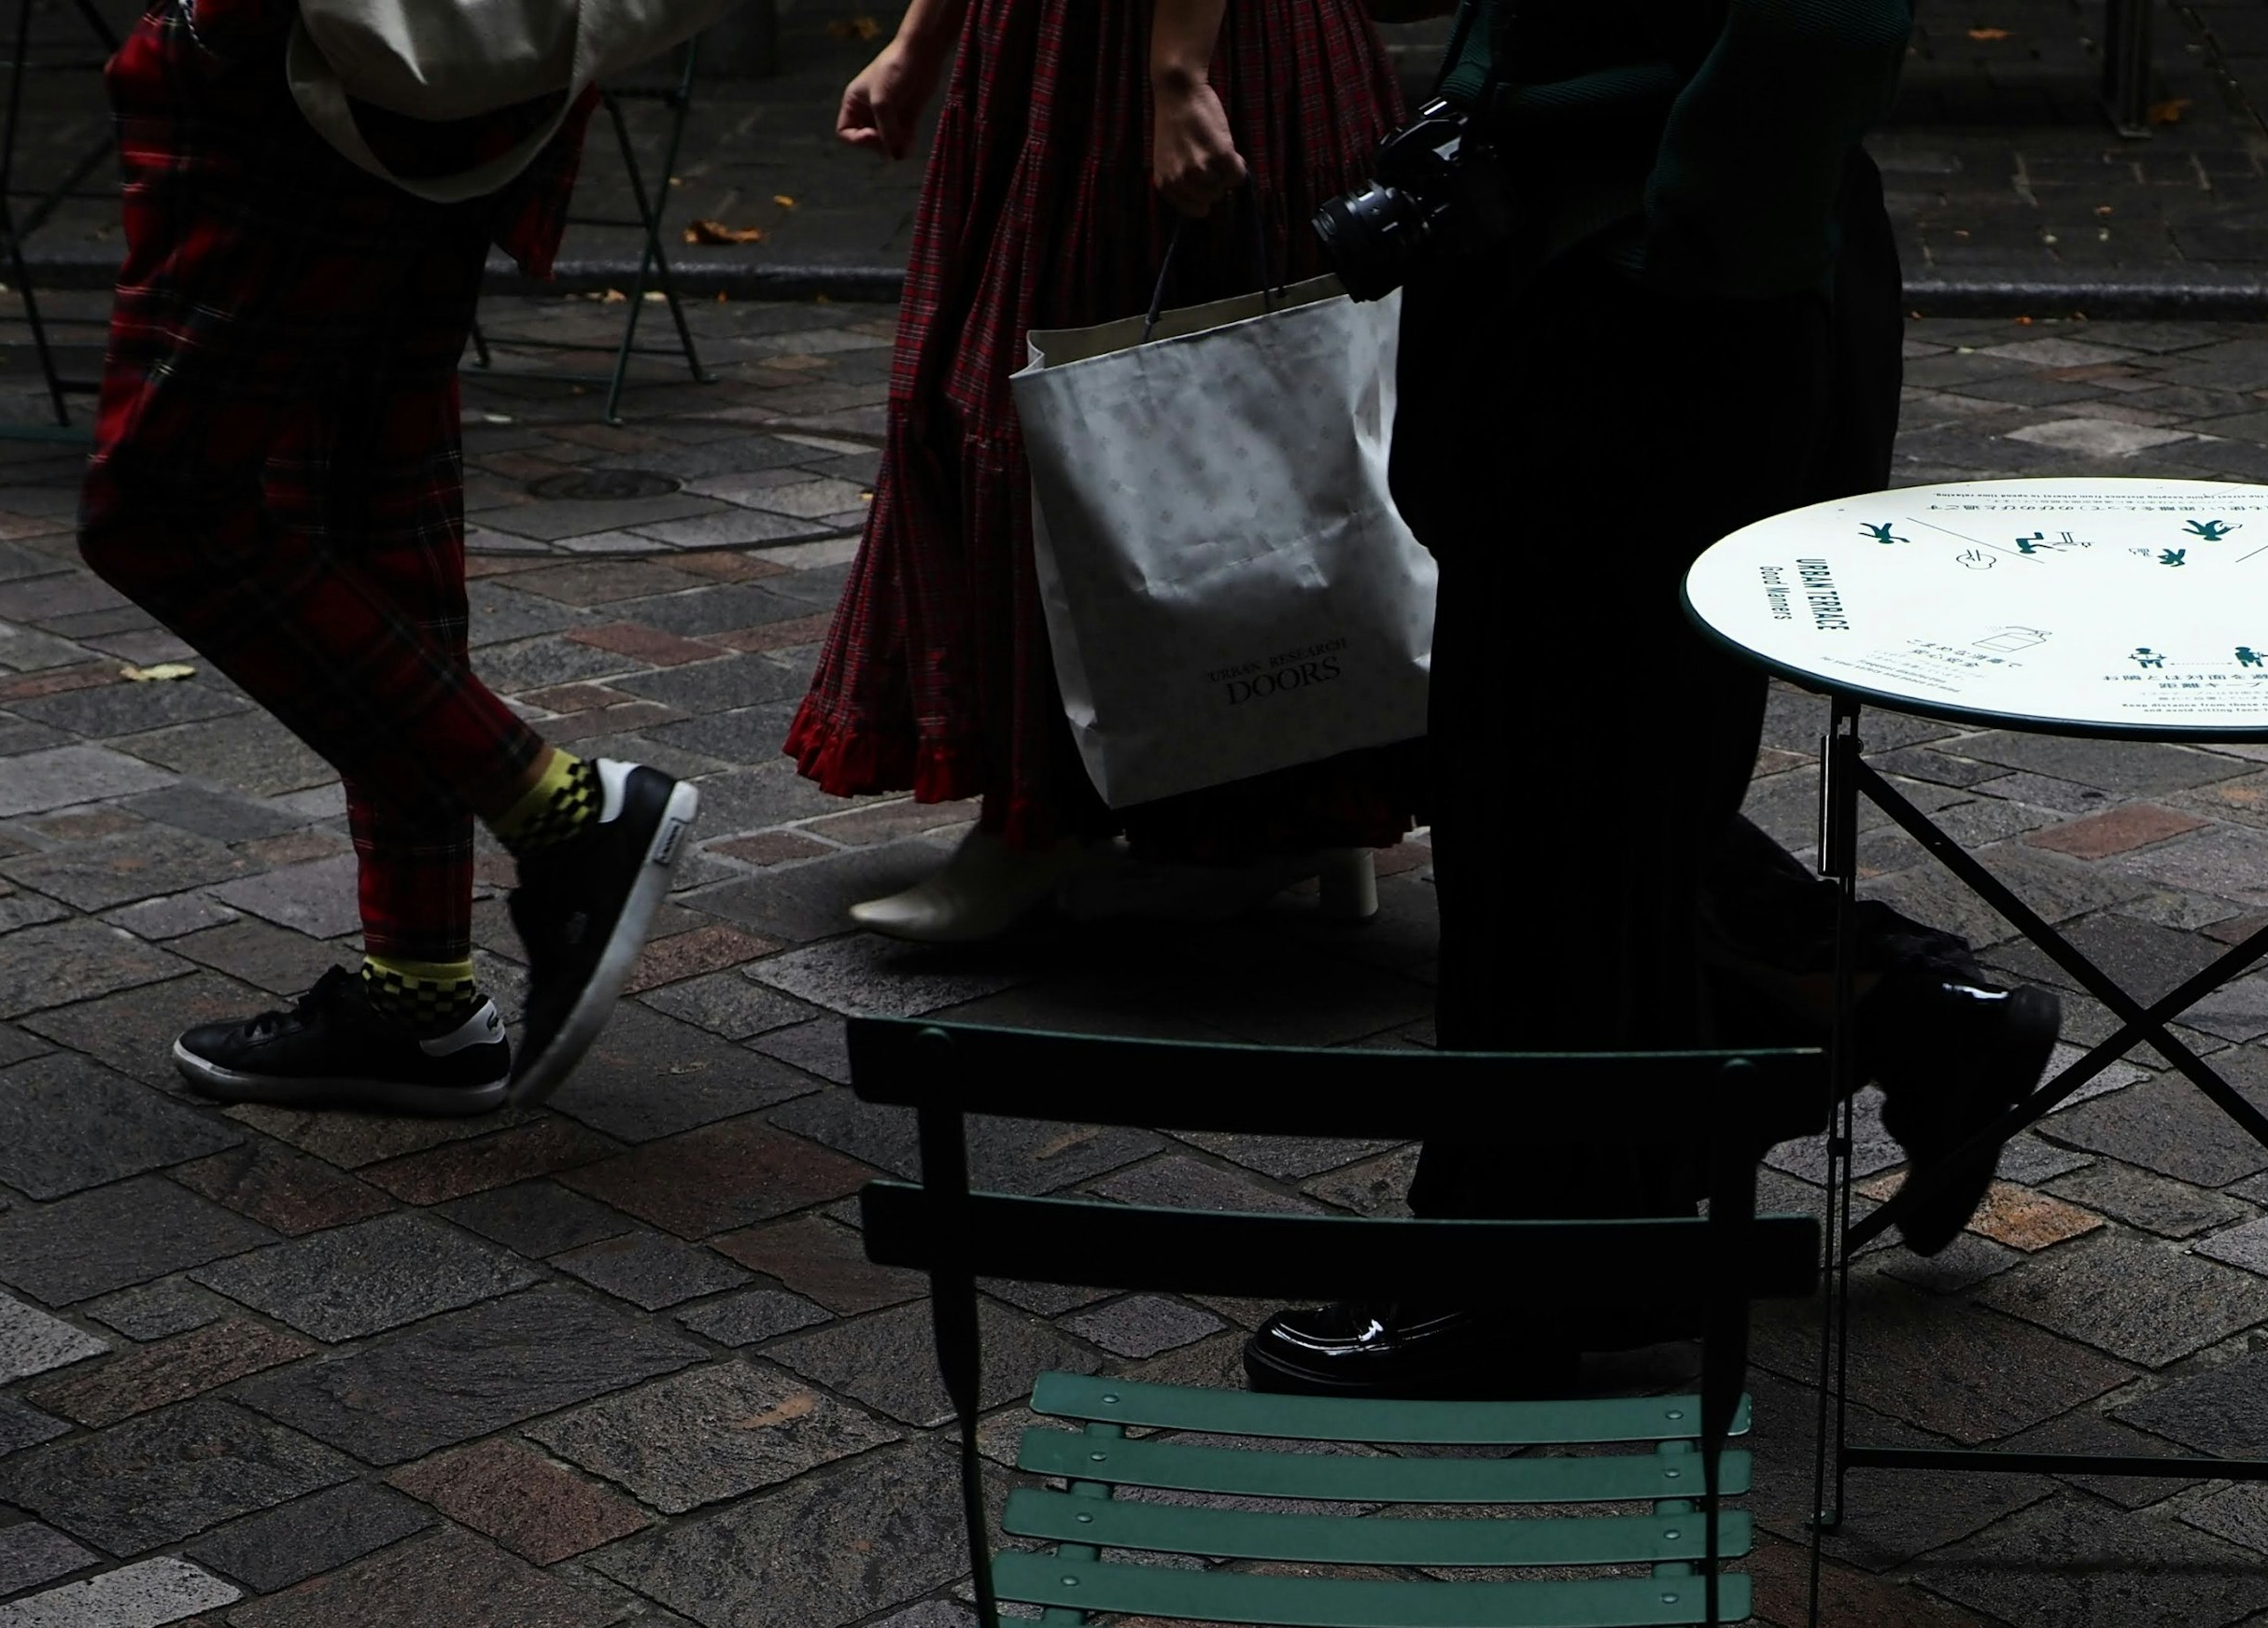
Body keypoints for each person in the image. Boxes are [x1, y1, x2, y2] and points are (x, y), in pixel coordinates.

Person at [1243, 0, 2061, 1397]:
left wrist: (1684, 259)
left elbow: (1818, 34)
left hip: (1649, 299)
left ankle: (1537, 1269)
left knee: (1561, 797)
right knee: (1556, 782)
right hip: (1585, 260)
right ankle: (1900, 1013)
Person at [86, 0, 694, 1118]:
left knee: (156, 509)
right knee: (373, 505)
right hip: (451, 90)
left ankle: (568, 812)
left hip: (302, 78)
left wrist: (212, 33)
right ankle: (419, 1003)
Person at [799, 0, 1419, 942]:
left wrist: (1178, 76)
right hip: (1095, 48)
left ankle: (1060, 818)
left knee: (1103, 412)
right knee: (1242, 413)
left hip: (1155, 45)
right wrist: (920, 40)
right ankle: (1303, 814)